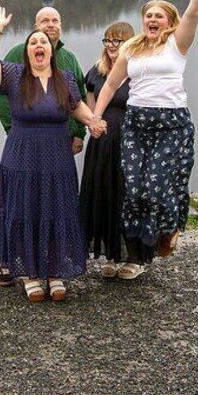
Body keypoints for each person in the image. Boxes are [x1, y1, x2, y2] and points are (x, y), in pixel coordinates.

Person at [92, 0, 198, 279]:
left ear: (169, 21)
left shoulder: (177, 44)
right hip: (137, 123)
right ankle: (142, 245)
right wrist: (95, 117)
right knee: (134, 186)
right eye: (148, 15)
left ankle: (169, 228)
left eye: (158, 16)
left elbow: (193, 10)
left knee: (157, 183)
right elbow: (110, 85)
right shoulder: (131, 49)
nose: (152, 19)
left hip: (170, 124)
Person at [0, 6, 106, 302]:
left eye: (43, 43)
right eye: (33, 42)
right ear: (27, 52)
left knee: (56, 210)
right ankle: (30, 274)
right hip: (22, 155)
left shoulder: (65, 78)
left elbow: (76, 106)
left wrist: (92, 121)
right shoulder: (14, 75)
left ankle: (54, 271)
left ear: (51, 50)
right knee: (26, 211)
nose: (39, 45)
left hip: (57, 157)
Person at [79, 22, 136, 278]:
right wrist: (92, 125)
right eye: (108, 40)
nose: (111, 46)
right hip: (102, 144)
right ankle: (112, 255)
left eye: (117, 41)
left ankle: (134, 257)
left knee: (127, 197)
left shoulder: (137, 72)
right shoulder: (96, 72)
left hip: (130, 143)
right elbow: (91, 109)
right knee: (104, 196)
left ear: (130, 43)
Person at [0, 7, 88, 154]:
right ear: (36, 27)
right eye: (45, 21)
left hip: (63, 139)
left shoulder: (69, 58)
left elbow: (80, 97)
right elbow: (2, 96)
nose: (51, 25)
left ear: (60, 25)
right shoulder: (19, 54)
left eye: (55, 21)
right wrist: (11, 129)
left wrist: (79, 133)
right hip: (26, 139)